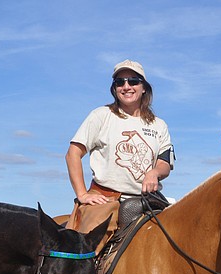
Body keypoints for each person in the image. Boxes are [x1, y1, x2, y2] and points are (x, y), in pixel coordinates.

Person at [65, 59, 174, 242]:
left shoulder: (159, 125)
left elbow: (164, 163)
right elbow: (73, 154)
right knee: (86, 251)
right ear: (114, 88)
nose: (126, 86)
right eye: (120, 82)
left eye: (133, 81)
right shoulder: (101, 116)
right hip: (106, 199)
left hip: (147, 201)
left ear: (144, 87)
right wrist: (82, 194)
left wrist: (154, 173)